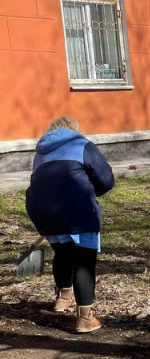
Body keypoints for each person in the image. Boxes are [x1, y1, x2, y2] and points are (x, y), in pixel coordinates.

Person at [25, 116, 115, 334]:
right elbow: (106, 179)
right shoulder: (81, 144)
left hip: (42, 210)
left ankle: (63, 300)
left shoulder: (40, 152)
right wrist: (90, 192)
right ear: (74, 129)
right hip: (77, 208)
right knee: (84, 258)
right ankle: (86, 319)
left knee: (64, 253)